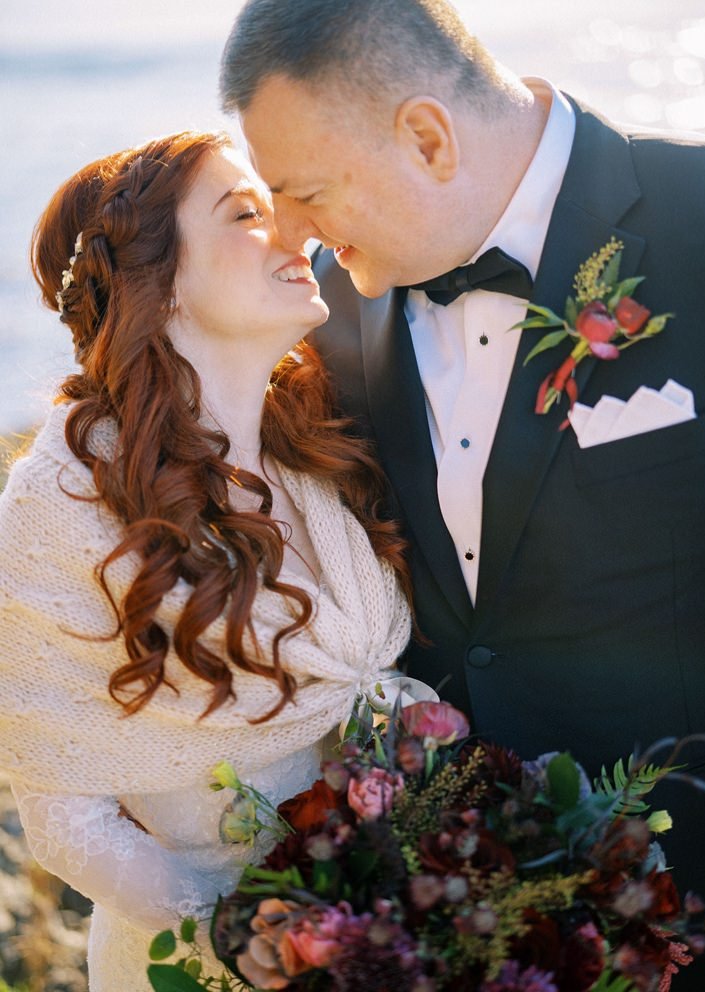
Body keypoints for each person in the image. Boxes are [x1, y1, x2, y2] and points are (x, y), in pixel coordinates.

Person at [217, 1, 705, 985]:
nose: (287, 233)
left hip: (703, 908)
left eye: (306, 192)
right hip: (454, 926)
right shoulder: (324, 311)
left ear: (426, 135)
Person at [0, 132, 413, 990]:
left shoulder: (312, 448)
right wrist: (237, 932)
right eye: (247, 214)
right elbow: (61, 808)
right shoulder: (65, 501)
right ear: (163, 286)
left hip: (384, 933)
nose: (296, 235)